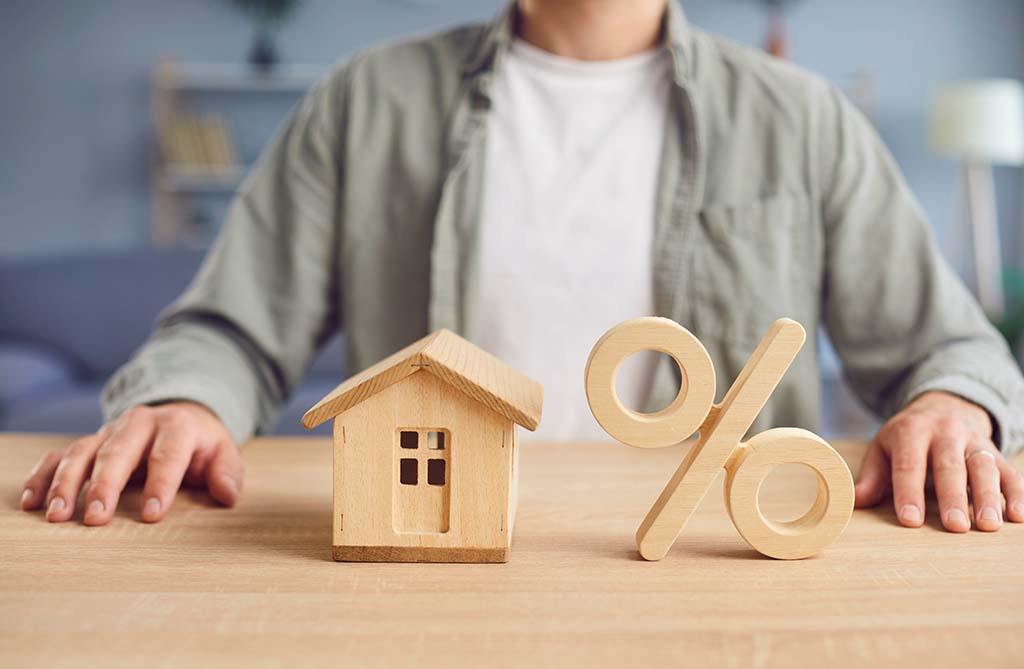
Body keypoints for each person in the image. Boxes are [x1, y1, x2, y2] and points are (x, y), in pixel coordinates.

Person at [20, 0, 1024, 534]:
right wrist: (187, 401)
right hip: (439, 561)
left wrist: (954, 407)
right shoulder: (363, 101)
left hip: (717, 564)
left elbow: (947, 348)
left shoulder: (804, 120)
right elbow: (228, 330)